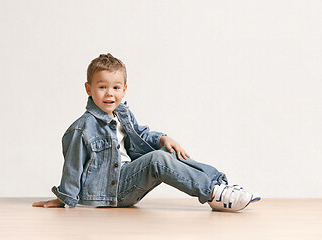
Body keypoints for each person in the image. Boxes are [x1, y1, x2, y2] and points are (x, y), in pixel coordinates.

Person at [33, 53, 260, 212]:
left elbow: (141, 134)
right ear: (88, 89)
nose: (109, 94)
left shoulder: (122, 114)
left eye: (116, 87)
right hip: (108, 193)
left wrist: (163, 138)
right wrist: (64, 198)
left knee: (166, 151)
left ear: (124, 89)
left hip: (125, 182)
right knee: (158, 160)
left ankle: (218, 185)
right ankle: (211, 193)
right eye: (102, 87)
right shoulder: (82, 127)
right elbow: (73, 166)